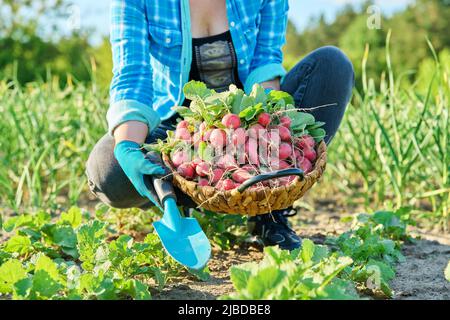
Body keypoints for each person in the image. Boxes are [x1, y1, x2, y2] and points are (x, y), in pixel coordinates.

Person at [86, 0, 354, 251]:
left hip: (246, 124)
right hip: (178, 131)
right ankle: (184, 194)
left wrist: (267, 133)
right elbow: (132, 74)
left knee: (332, 65)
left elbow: (265, 62)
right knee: (107, 171)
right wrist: (128, 147)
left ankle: (268, 206)